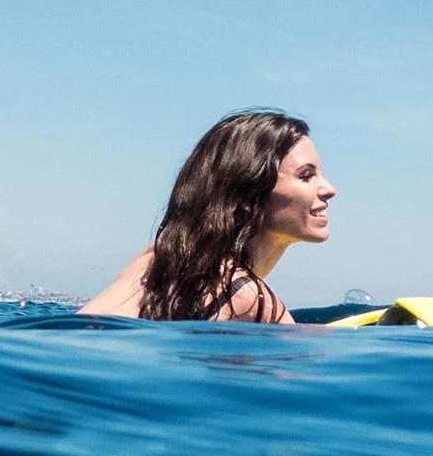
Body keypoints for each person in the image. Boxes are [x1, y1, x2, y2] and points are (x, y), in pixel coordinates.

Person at [79, 110, 334, 322]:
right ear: (248, 198)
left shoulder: (159, 259)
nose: (329, 190)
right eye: (305, 176)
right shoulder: (252, 301)